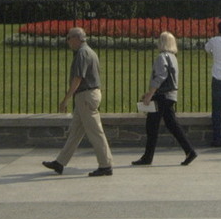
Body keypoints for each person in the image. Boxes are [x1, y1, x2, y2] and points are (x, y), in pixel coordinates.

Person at [42, 27, 115, 177]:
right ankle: (60, 162)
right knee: (75, 131)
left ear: (76, 38)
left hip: (86, 96)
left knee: (95, 132)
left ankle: (106, 165)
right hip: (88, 96)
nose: (67, 41)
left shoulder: (82, 53)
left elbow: (78, 79)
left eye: (68, 38)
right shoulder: (90, 52)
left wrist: (65, 100)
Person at [132, 31, 198, 166]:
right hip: (170, 95)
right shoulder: (173, 57)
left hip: (161, 95)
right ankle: (189, 151)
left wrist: (149, 94)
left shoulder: (162, 57)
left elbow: (160, 77)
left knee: (152, 126)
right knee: (172, 124)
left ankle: (147, 157)